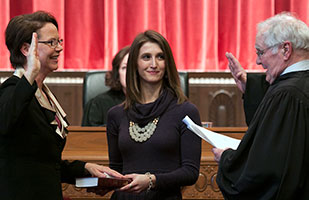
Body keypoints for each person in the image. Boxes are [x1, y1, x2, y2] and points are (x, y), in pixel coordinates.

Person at [0, 11, 123, 200]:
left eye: (60, 41)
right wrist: (31, 73)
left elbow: (46, 164)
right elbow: (5, 123)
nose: (59, 48)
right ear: (26, 49)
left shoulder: (43, 94)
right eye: (51, 42)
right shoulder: (11, 91)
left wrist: (85, 168)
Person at [212, 12, 309, 199]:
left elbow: (266, 171)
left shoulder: (287, 95)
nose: (258, 61)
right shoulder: (295, 87)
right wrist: (250, 87)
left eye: (260, 52)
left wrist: (227, 160)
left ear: (285, 50)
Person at [106, 30, 202, 199]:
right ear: (134, 64)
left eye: (160, 57)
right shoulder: (116, 115)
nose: (154, 64)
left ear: (168, 64)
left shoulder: (186, 112)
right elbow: (116, 169)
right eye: (146, 57)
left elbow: (191, 172)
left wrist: (152, 180)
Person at [82, 46, 129, 126]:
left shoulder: (154, 103)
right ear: (117, 74)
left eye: (134, 68)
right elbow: (88, 137)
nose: (129, 73)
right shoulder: (98, 104)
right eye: (125, 68)